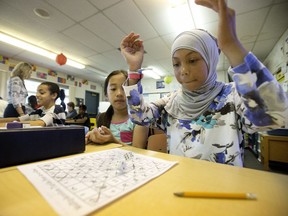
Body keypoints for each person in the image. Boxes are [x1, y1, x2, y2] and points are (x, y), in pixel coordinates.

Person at [119, 0, 288, 166]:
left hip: (225, 189)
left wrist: (231, 46)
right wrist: (134, 69)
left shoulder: (232, 96)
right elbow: (139, 116)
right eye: (176, 64)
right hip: (181, 184)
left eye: (192, 60)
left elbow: (277, 114)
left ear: (211, 59)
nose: (183, 70)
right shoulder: (171, 103)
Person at [85, 70, 149, 146]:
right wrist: (91, 137)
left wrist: (113, 141)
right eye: (113, 89)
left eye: (124, 89)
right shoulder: (102, 117)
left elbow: (138, 152)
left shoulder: (140, 119)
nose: (119, 94)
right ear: (106, 94)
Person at [1, 81, 66, 126]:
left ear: (53, 95)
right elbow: (18, 119)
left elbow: (40, 123)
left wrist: (8, 125)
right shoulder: (40, 110)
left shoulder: (57, 109)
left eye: (42, 93)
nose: (37, 95)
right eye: (37, 92)